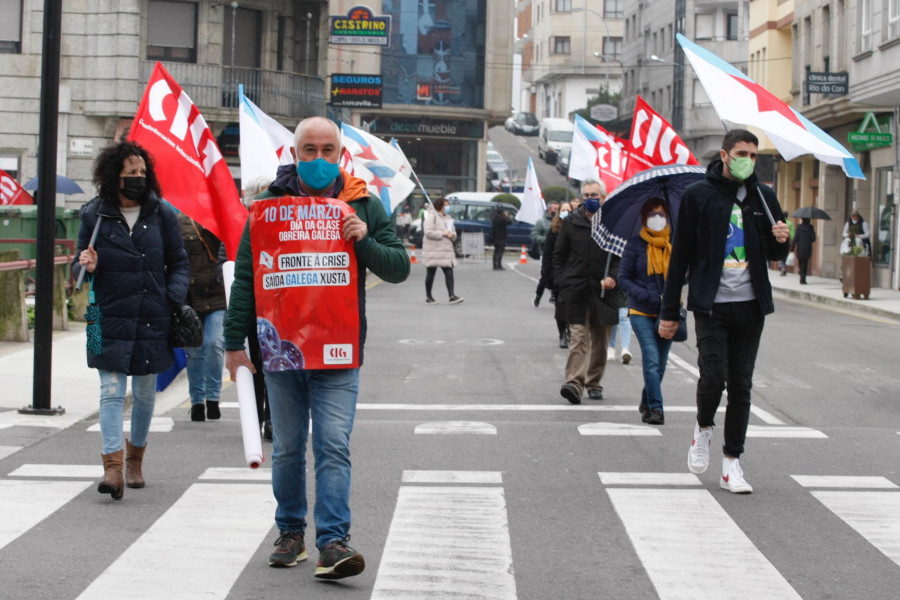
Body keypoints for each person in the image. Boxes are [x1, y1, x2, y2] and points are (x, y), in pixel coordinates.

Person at [223, 116, 409, 578]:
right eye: (310, 150)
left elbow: (400, 267)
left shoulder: (362, 203)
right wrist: (232, 345)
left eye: (328, 150)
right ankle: (290, 532)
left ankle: (333, 542)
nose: (320, 159)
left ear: (340, 155)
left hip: (339, 350)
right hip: (281, 351)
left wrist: (363, 241)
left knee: (332, 445)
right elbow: (248, 277)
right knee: (287, 447)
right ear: (294, 154)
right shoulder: (268, 207)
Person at [659, 129, 790, 494]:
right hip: (712, 305)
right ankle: (702, 429)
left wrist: (783, 239)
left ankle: (732, 463)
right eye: (743, 153)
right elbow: (681, 254)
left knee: (742, 386)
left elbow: (775, 254)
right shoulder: (698, 195)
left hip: (751, 306)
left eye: (754, 153)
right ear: (725, 155)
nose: (749, 159)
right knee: (714, 377)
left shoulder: (763, 196)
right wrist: (670, 311)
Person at [75, 140, 189, 500]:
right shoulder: (93, 215)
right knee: (109, 390)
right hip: (100, 316)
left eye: (142, 172)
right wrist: (89, 265)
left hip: (151, 315)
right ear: (114, 177)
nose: (138, 178)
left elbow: (180, 263)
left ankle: (135, 457)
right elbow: (79, 270)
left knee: (143, 392)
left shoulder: (162, 214)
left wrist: (169, 298)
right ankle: (113, 468)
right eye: (130, 173)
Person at [553, 179, 622, 404]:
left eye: (594, 195)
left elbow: (621, 257)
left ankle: (594, 382)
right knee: (578, 337)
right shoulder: (571, 222)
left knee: (601, 341)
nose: (590, 199)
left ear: (603, 197)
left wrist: (613, 277)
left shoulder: (613, 222)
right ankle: (574, 382)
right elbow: (559, 256)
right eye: (586, 195)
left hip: (604, 292)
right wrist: (564, 281)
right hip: (577, 290)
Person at [618, 198, 675, 426]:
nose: (658, 218)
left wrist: (671, 292)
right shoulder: (634, 244)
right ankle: (655, 408)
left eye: (662, 214)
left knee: (660, 364)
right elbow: (624, 278)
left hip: (668, 312)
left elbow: (685, 273)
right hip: (641, 310)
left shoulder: (674, 244)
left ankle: (646, 400)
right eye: (653, 214)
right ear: (644, 218)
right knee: (651, 359)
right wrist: (648, 296)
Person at [179, 214, 226, 422]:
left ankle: (213, 397)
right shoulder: (180, 223)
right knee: (194, 349)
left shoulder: (220, 219)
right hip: (191, 296)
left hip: (218, 295)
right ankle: (197, 400)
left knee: (214, 343)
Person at [240, 176, 275, 440]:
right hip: (252, 308)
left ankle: (273, 419)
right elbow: (228, 261)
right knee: (257, 365)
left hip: (276, 309)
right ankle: (257, 417)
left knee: (274, 364)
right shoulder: (243, 225)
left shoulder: (283, 222)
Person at [540, 201, 573, 348]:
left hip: (573, 273)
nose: (566, 212)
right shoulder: (553, 230)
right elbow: (548, 254)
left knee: (573, 306)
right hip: (558, 274)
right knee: (560, 307)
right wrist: (548, 275)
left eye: (568, 210)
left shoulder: (576, 228)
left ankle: (570, 330)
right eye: (563, 210)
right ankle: (562, 334)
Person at [422, 197, 463, 304]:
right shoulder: (432, 216)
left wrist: (452, 235)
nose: (447, 207)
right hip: (433, 251)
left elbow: (453, 232)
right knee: (431, 273)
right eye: (445, 205)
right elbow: (428, 232)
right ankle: (429, 296)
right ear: (440, 205)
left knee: (449, 273)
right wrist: (442, 234)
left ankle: (452, 295)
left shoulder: (448, 217)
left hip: (445, 251)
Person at [531, 200, 559, 306]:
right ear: (549, 209)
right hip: (546, 253)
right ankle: (538, 295)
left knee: (557, 276)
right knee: (545, 276)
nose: (556, 211)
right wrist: (546, 240)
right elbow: (534, 235)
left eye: (558, 209)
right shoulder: (542, 222)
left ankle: (554, 294)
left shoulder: (563, 222)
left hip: (558, 254)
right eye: (554, 209)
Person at [792, 218, 816, 284]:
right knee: (805, 263)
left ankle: (801, 274)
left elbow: (795, 238)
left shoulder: (799, 227)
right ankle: (803, 278)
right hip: (807, 248)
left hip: (800, 248)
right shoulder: (811, 228)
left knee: (800, 262)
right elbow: (813, 239)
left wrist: (792, 247)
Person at [491, 203, 512, 270]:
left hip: (495, 237)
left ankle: (494, 265)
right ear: (502, 213)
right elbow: (510, 222)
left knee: (496, 251)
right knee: (500, 252)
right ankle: (499, 265)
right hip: (502, 238)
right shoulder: (503, 220)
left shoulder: (495, 219)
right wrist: (506, 216)